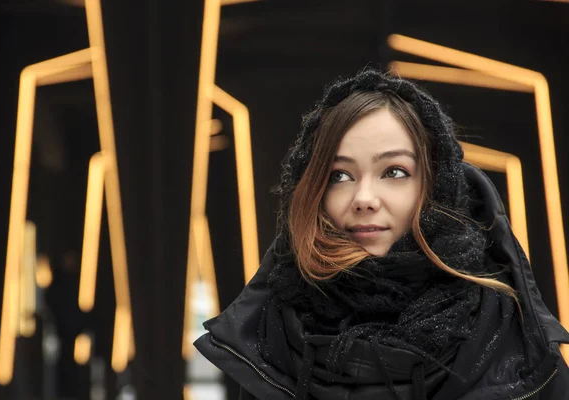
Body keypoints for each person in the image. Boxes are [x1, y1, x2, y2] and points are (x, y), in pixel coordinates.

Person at [194, 68, 569, 399]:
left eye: (394, 172)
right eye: (339, 175)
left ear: (436, 185)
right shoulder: (271, 340)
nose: (364, 198)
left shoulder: (511, 339)